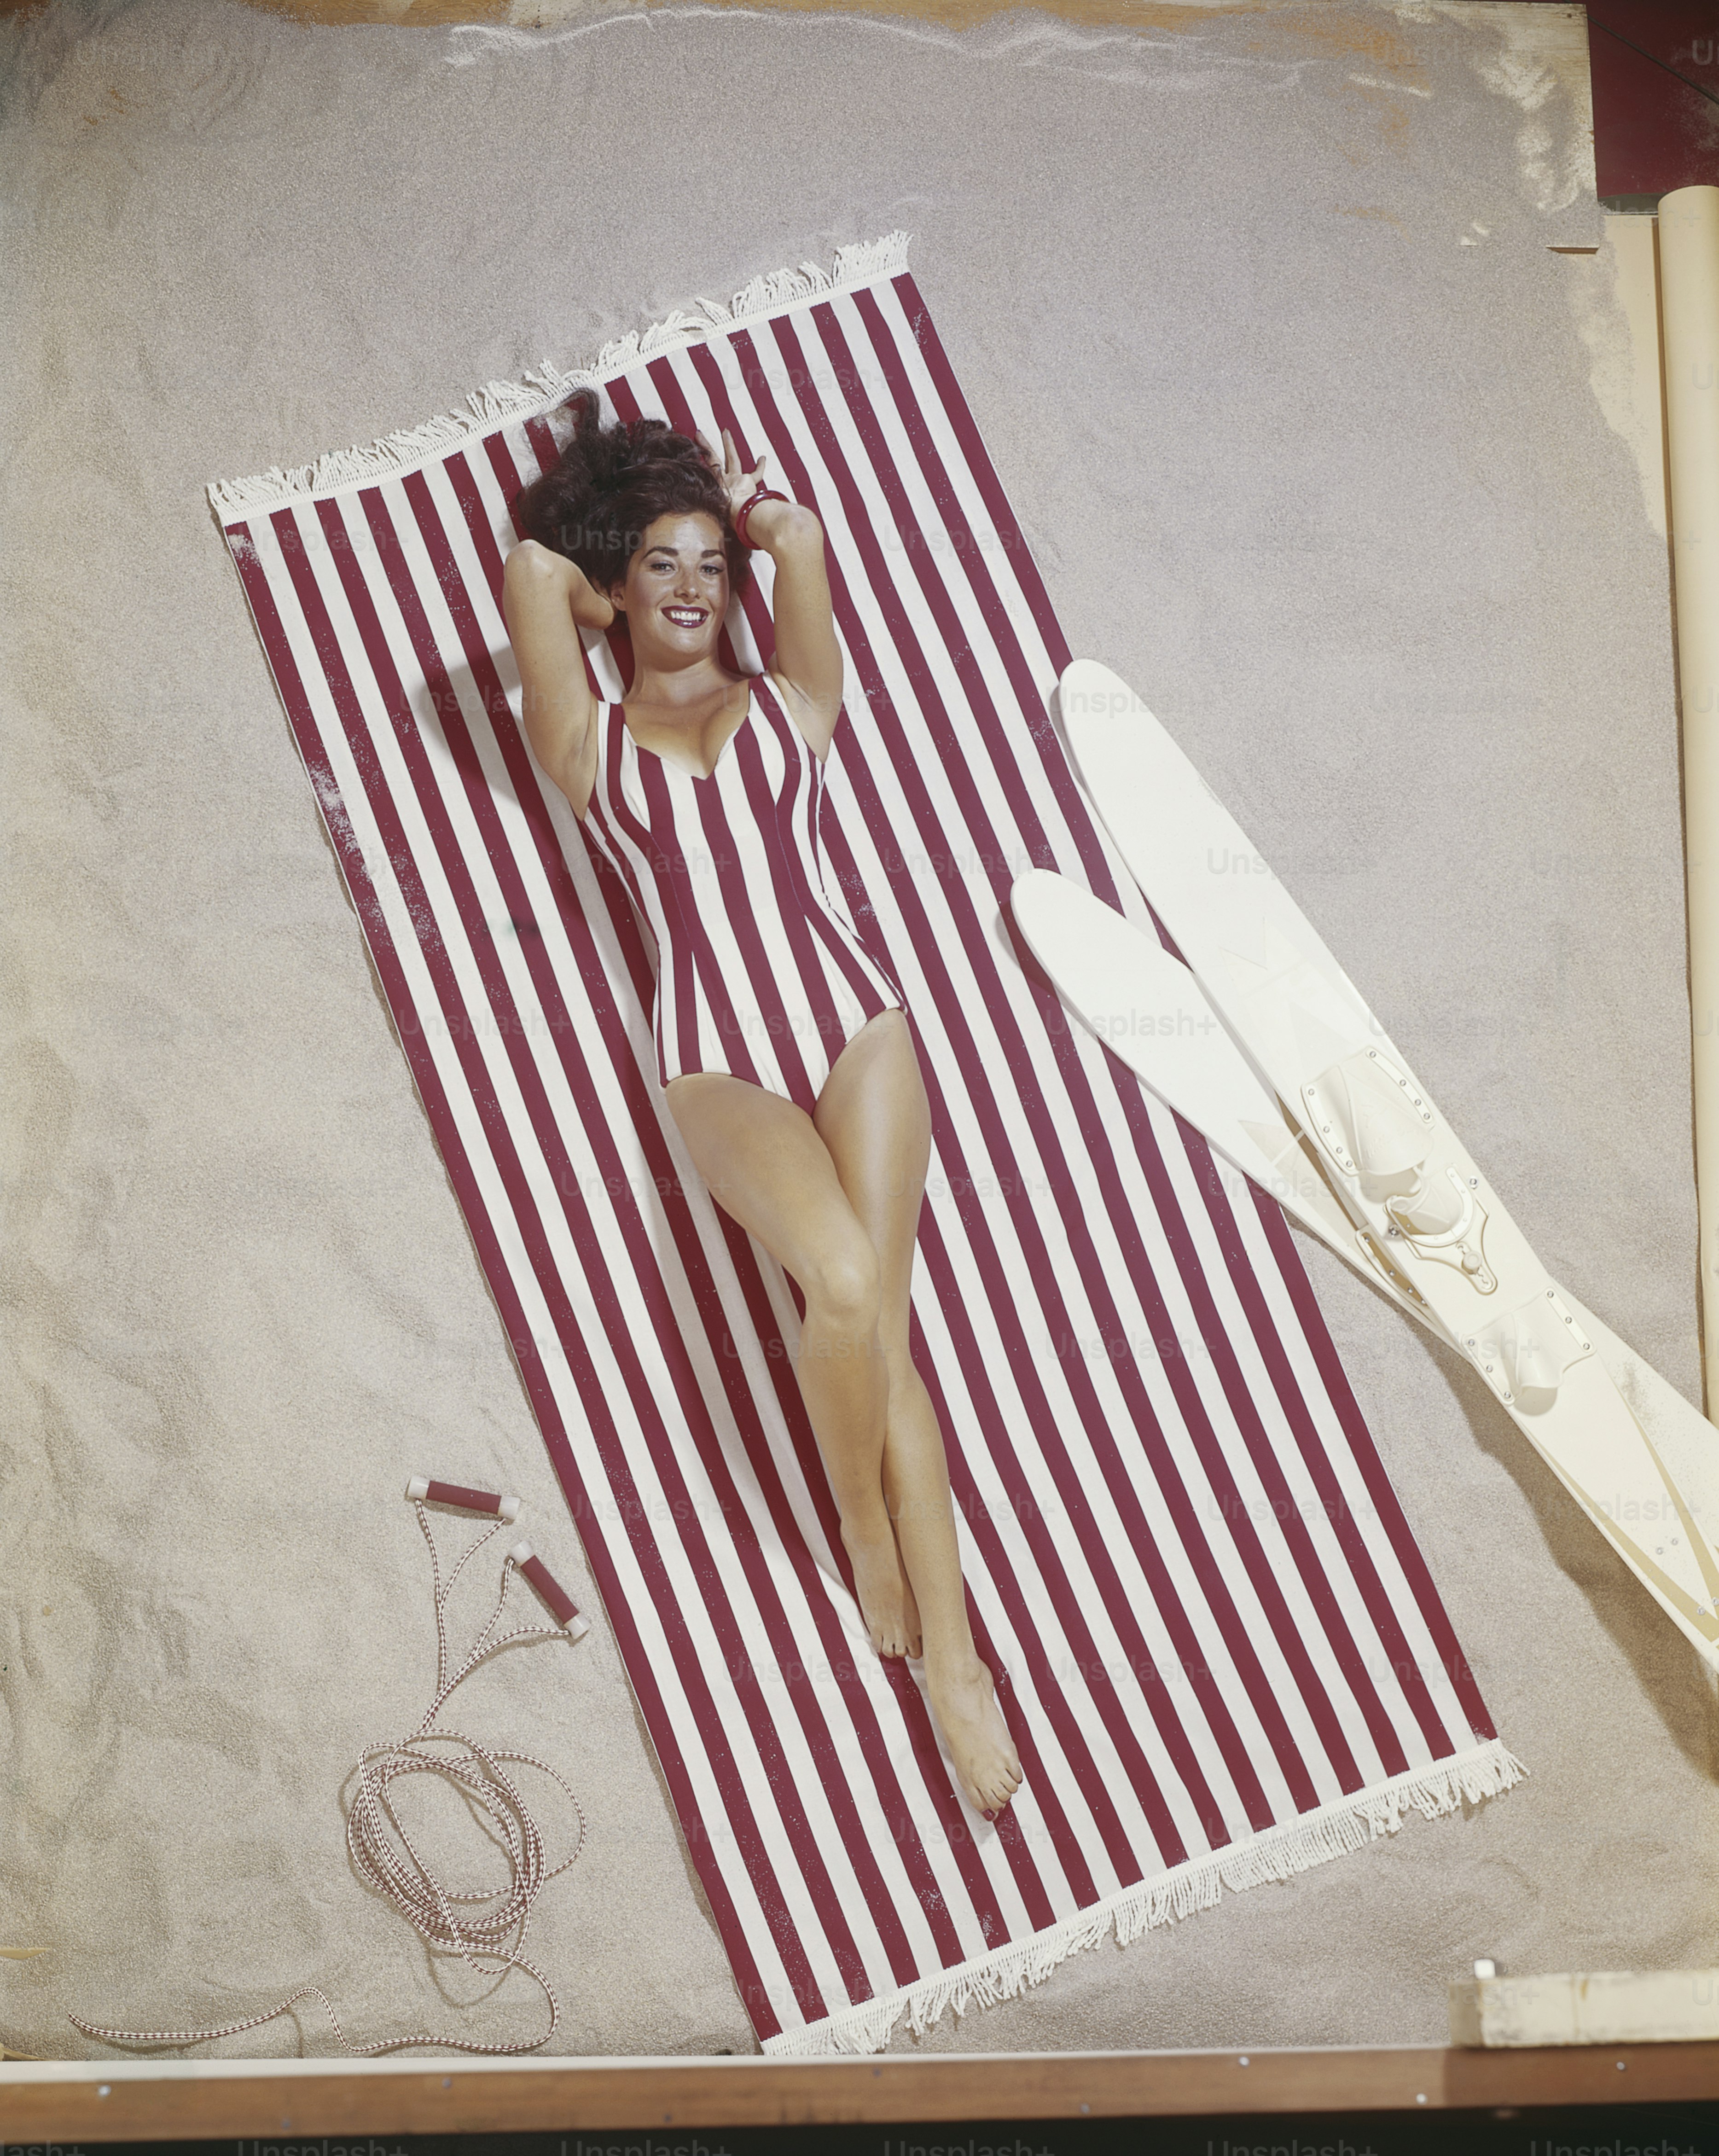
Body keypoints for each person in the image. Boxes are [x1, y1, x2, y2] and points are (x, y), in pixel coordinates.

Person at [502, 389, 1022, 1820]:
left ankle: (957, 1660)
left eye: (710, 565)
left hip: (858, 1022)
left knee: (884, 1321)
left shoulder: (795, 695)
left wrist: (768, 524)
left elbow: (803, 540)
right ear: (617, 586)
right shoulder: (582, 740)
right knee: (844, 1283)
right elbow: (532, 578)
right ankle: (861, 1517)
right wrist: (596, 571)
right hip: (714, 1055)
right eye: (660, 566)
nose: (693, 588)